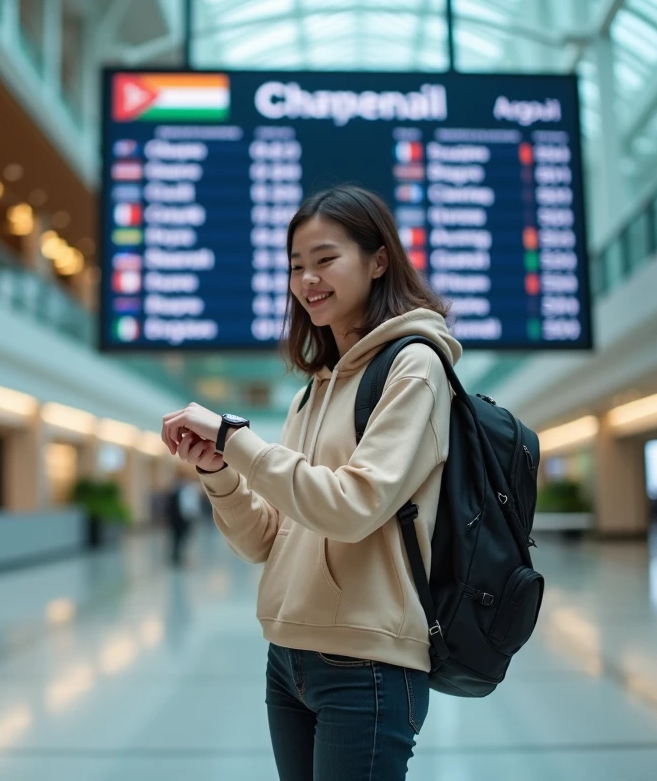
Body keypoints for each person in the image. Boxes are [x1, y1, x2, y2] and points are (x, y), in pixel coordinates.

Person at [162, 185, 459, 780]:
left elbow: (353, 507)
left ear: (378, 261)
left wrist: (235, 439)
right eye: (296, 266)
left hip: (368, 663)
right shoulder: (312, 392)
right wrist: (220, 473)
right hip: (288, 656)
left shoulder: (415, 366)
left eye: (326, 259)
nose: (307, 280)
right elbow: (264, 541)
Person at [166, 476, 203, 567]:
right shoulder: (180, 493)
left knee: (181, 538)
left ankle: (178, 555)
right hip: (178, 520)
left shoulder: (186, 492)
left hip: (183, 519)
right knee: (177, 538)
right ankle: (175, 556)